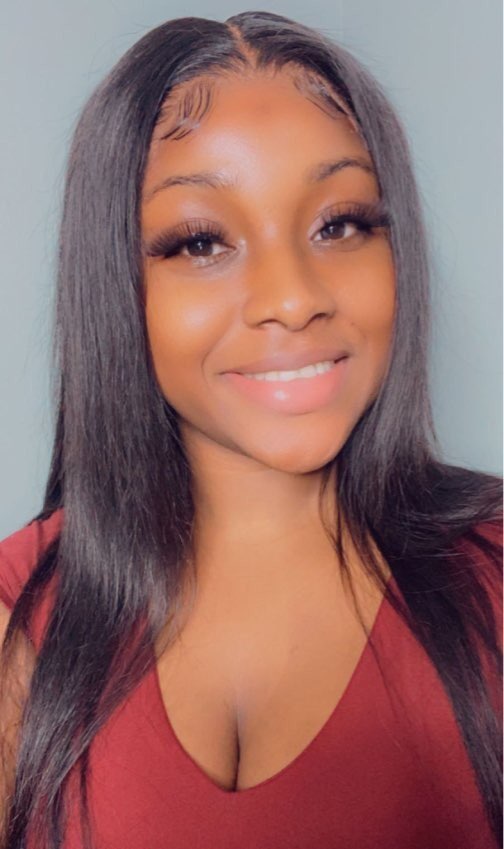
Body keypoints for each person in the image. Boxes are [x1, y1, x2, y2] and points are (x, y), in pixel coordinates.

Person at [0, 10, 501, 849]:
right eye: (202, 241)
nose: (293, 297)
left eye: (340, 223)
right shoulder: (20, 613)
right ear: (117, 282)